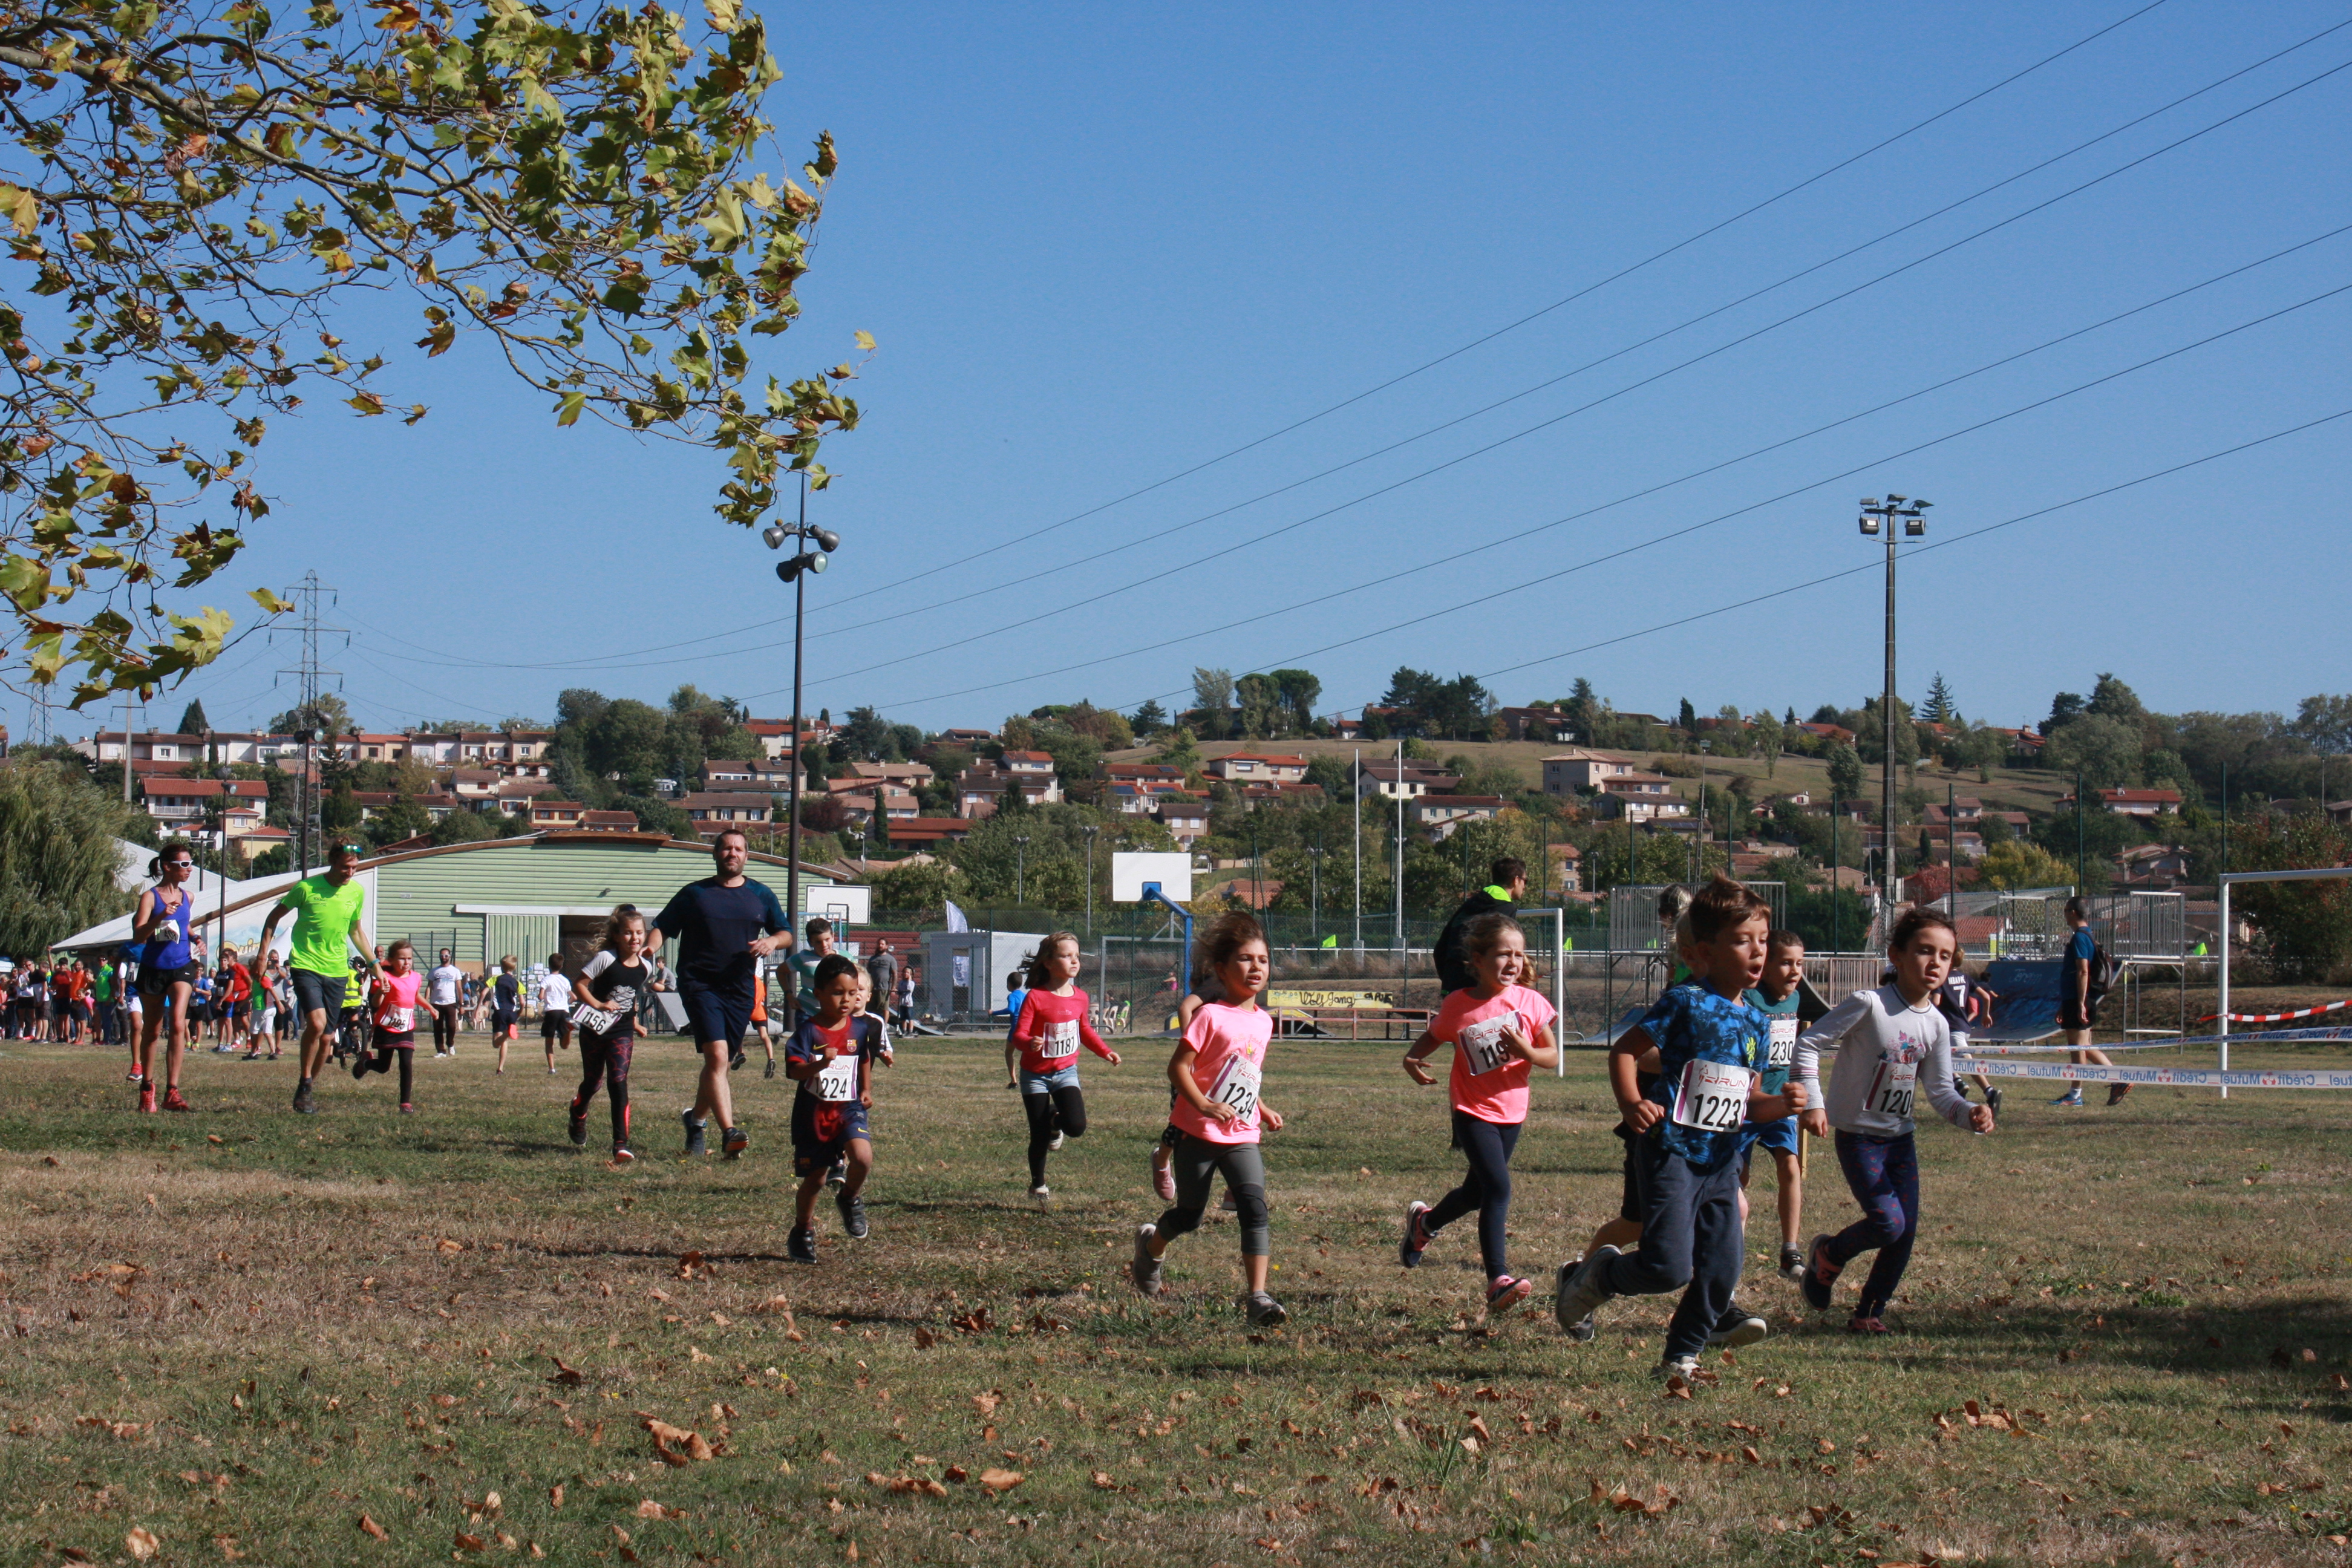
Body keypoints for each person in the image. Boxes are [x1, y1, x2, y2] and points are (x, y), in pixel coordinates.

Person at [1553, 878, 1808, 1382]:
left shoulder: (1756, 1022)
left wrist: (1780, 1104)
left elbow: (1745, 1101)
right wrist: (1631, 1104)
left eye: (1762, 939)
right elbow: (1624, 1051)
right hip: (1670, 1151)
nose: (1757, 951)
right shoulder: (1686, 1001)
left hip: (1722, 1163)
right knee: (1667, 1269)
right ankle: (1597, 1276)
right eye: (1742, 941)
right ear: (1701, 953)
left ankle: (1680, 1358)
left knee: (1721, 1269)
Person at [1796, 906, 1997, 1334]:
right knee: (1888, 1223)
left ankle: (1869, 1312)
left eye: (1945, 956)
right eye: (1925, 951)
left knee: (1903, 1234)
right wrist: (1814, 1103)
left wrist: (1971, 1115)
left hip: (1900, 1140)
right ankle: (1830, 1253)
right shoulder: (1869, 1005)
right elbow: (1809, 1043)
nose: (1935, 963)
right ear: (1897, 955)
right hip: (1860, 1138)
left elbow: (1941, 1093)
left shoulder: (1938, 1026)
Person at [1129, 912, 1289, 1327]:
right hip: (1198, 1131)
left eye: (1263, 960)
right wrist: (1201, 1105)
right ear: (1221, 970)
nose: (1256, 968)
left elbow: (1241, 1074)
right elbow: (1179, 1068)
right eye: (1245, 959)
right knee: (1190, 1215)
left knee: (1254, 1206)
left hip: (1241, 1133)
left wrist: (1262, 1105)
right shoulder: (1210, 1016)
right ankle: (1151, 1248)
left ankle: (1258, 1296)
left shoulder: (1264, 1021)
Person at [1398, 912, 1560, 1315]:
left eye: (1520, 955)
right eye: (1504, 954)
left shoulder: (1531, 1003)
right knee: (1498, 1189)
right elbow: (1434, 1035)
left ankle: (1426, 1224)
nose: (1513, 963)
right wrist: (1413, 1059)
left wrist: (1528, 1052)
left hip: (1512, 1111)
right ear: (1478, 958)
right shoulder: (1459, 1005)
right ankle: (1497, 1280)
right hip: (1472, 1111)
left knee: (1475, 1192)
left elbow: (1552, 1055)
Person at [648, 828, 789, 1160]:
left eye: (738, 849)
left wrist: (772, 941)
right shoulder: (695, 894)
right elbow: (662, 927)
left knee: (720, 1064)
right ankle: (729, 1132)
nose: (732, 854)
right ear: (715, 854)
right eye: (726, 848)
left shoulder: (760, 894)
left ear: (746, 856)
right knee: (718, 1058)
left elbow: (785, 933)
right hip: (700, 984)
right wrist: (648, 951)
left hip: (739, 989)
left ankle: (696, 1121)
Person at [256, 839, 377, 1114]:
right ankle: (306, 1081)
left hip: (337, 970)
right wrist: (264, 955)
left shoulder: (356, 892)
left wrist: (375, 965)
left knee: (327, 1037)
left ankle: (306, 1085)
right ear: (333, 863)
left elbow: (355, 931)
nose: (350, 873)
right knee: (318, 1023)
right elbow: (273, 919)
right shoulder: (306, 888)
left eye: (355, 868)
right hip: (305, 964)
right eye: (346, 867)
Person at [1007, 932, 1122, 1208]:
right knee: (1038, 1134)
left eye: (1077, 956)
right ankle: (1038, 1185)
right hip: (1035, 1075)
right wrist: (1029, 1042)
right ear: (1048, 962)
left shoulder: (1080, 997)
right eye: (1066, 956)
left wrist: (1105, 1051)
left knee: (1076, 1126)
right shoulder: (1035, 997)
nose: (1074, 961)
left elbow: (1084, 1030)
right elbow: (1019, 1035)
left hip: (1065, 1072)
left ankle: (1055, 1121)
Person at [783, 953, 885, 1260]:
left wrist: (866, 1088)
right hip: (814, 1114)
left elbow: (864, 1058)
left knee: (863, 1158)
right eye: (838, 993)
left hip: (849, 1108)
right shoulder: (809, 1032)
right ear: (819, 994)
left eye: (852, 993)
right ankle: (802, 1230)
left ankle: (850, 1197)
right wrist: (819, 1064)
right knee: (815, 1179)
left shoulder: (859, 1028)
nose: (846, 1000)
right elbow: (793, 1071)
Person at [1740, 930, 1815, 1282]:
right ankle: (1730, 1242)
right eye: (1786, 963)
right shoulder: (1751, 999)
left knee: (1790, 1166)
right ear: (1766, 964)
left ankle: (1790, 1249)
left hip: (1781, 1100)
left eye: (1800, 963)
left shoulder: (1795, 999)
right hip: (1748, 1103)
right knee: (1739, 1177)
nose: (1794, 970)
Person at [567, 906, 652, 1165]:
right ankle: (578, 1113)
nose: (634, 938)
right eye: (628, 933)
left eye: (639, 933)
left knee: (618, 1081)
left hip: (622, 1031)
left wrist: (635, 1023)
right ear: (617, 935)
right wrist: (598, 1004)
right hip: (595, 1028)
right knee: (593, 1083)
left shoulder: (646, 968)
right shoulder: (606, 958)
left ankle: (621, 1145)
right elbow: (579, 985)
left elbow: (630, 1000)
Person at [129, 843, 201, 1112]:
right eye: (184, 865)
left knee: (179, 1024)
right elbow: (138, 936)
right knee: (152, 1031)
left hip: (182, 965)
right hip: (153, 968)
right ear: (167, 867)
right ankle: (147, 1087)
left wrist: (196, 938)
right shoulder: (150, 898)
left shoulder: (188, 897)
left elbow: (185, 924)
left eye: (190, 863)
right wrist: (160, 915)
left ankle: (173, 1091)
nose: (189, 869)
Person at [2052, 897, 2124, 1107]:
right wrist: (2064, 1005)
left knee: (2078, 1048)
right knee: (2083, 1046)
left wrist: (2081, 1003)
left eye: (2065, 910)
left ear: (2073, 913)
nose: (2064, 915)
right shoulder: (2084, 937)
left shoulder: (2081, 938)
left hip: (2079, 999)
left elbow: (2083, 971)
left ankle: (2076, 1095)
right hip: (2074, 999)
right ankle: (2118, 1080)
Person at [351, 938, 425, 1112]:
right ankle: (366, 1064)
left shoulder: (416, 977)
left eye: (409, 958)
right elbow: (376, 1004)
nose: (406, 962)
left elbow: (415, 996)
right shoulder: (386, 977)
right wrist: (381, 993)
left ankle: (405, 1103)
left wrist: (431, 1008)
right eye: (402, 958)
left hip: (406, 1028)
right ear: (391, 960)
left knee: (406, 1063)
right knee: (384, 1067)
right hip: (387, 1027)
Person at [1433, 858, 1526, 996]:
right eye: (1526, 881)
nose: (1525, 886)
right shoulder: (1505, 909)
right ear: (1516, 880)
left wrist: (1449, 978)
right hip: (1479, 989)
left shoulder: (1471, 905)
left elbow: (1440, 949)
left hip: (1452, 984)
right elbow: (1502, 952)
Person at [536, 954, 573, 1074]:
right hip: (564, 1011)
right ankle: (569, 1032)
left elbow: (541, 996)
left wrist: (541, 997)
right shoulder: (565, 980)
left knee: (549, 1041)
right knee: (564, 1046)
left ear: (549, 965)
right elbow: (574, 997)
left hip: (552, 1012)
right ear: (561, 966)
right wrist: (567, 1002)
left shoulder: (547, 979)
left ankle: (552, 1068)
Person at [427, 949, 465, 1058]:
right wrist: (426, 1001)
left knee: (451, 1026)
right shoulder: (434, 971)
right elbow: (430, 987)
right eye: (442, 955)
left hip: (450, 1003)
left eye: (446, 956)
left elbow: (459, 989)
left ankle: (450, 1044)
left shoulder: (455, 971)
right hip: (436, 1003)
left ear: (450, 956)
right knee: (438, 1028)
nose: (444, 957)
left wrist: (461, 1004)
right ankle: (441, 1051)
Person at [490, 955, 523, 1073]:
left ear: (502, 967)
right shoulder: (517, 983)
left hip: (500, 1012)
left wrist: (479, 1007)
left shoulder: (496, 979)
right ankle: (500, 1068)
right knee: (504, 1042)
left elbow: (484, 992)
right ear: (514, 968)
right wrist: (518, 1014)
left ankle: (507, 1034)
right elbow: (522, 1002)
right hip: (512, 1013)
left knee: (496, 1043)